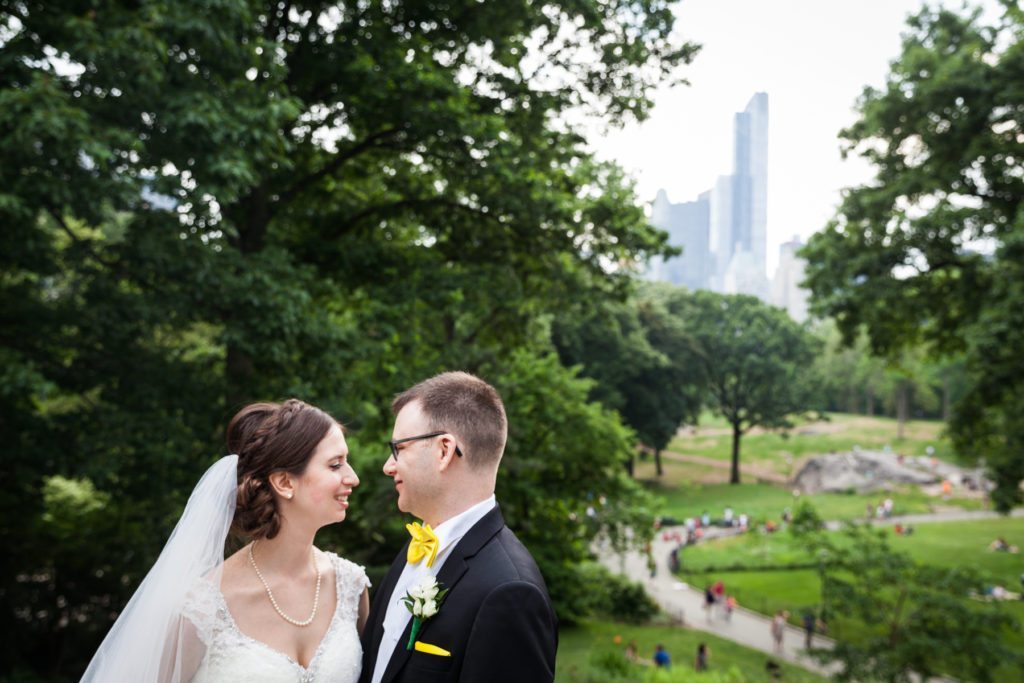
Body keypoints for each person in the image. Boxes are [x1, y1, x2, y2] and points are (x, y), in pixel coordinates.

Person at [82, 399, 369, 682]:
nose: (352, 478)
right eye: (335, 465)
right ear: (284, 482)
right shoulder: (203, 608)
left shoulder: (350, 587)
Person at [359, 372, 557, 683]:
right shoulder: (414, 549)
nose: (388, 465)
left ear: (444, 450)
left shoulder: (510, 592)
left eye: (399, 448)